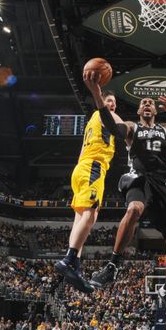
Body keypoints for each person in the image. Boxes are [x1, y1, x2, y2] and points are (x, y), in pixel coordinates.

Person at [90, 94, 166, 316]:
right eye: (143, 103)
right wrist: (99, 101)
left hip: (162, 183)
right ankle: (112, 266)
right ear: (140, 111)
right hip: (139, 178)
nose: (148, 104)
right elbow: (115, 129)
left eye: (151, 103)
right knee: (134, 209)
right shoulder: (132, 127)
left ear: (156, 111)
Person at [54, 72, 122, 293]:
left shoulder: (94, 120)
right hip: (93, 167)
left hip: (81, 167)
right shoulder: (104, 113)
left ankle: (75, 263)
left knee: (81, 217)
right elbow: (125, 127)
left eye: (114, 102)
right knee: (91, 215)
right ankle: (70, 258)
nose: (112, 105)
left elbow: (82, 149)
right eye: (109, 101)